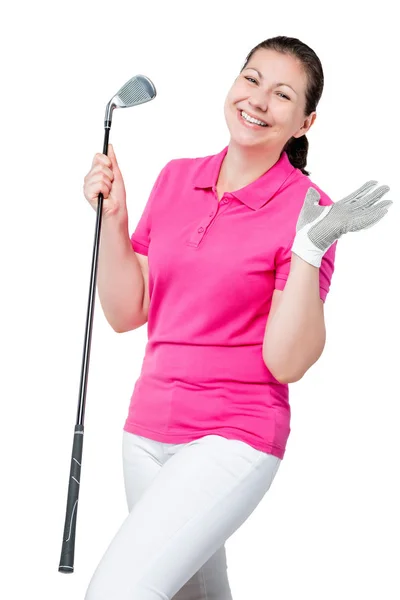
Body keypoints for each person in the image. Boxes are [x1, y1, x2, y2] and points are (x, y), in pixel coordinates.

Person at [82, 36, 392, 600]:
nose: (258, 101)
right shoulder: (177, 177)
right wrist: (115, 219)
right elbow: (127, 311)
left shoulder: (308, 210)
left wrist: (310, 249)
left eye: (282, 95)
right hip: (146, 431)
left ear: (305, 121)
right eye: (252, 80)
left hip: (233, 435)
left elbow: (287, 360)